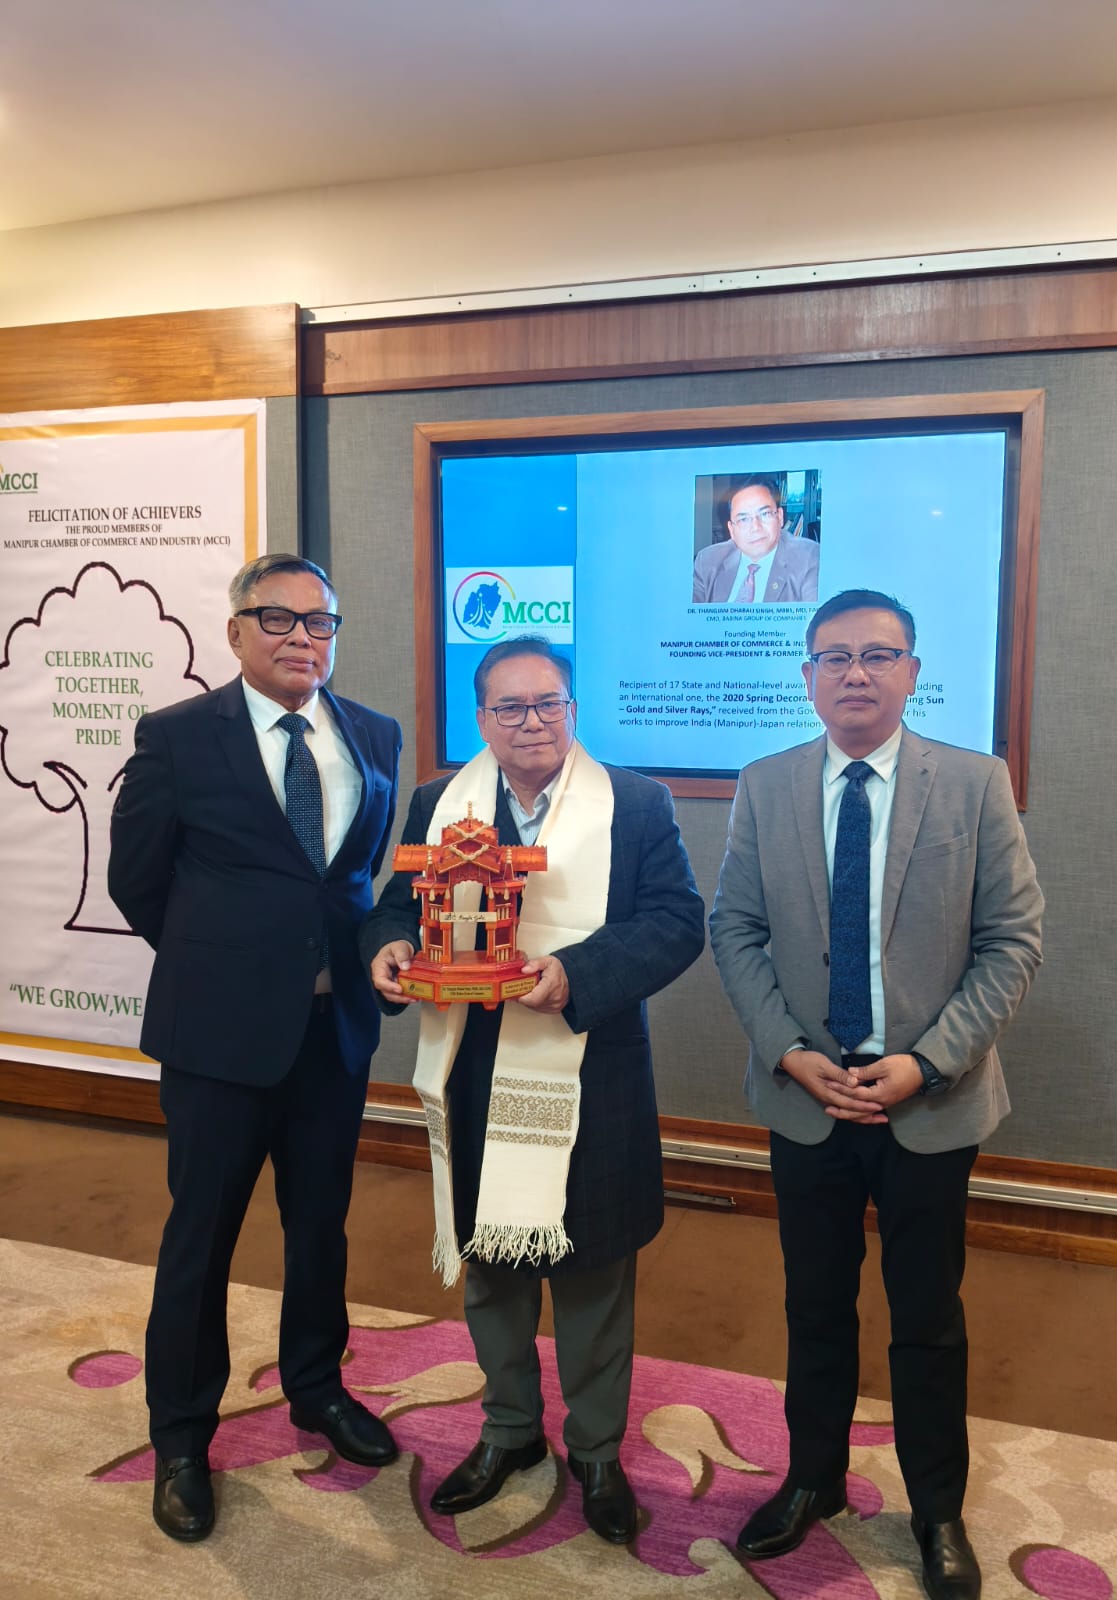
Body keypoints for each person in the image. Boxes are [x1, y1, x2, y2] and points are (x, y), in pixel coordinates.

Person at [709, 589, 1042, 1600]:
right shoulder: (765, 784)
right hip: (807, 1096)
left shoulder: (975, 784)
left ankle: (936, 1508)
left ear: (912, 672)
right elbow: (736, 928)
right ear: (808, 675)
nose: (856, 672)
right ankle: (813, 1478)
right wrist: (785, 1050)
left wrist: (926, 1062)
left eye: (878, 655)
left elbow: (1012, 942)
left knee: (927, 1314)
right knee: (814, 1303)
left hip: (927, 1102)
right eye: (835, 656)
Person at [361, 635, 704, 1545]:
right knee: (493, 1265)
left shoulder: (635, 803)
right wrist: (387, 947)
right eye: (510, 707)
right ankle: (509, 1429)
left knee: (593, 1271)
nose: (531, 722)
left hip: (590, 1071)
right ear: (482, 720)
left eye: (548, 703)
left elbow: (677, 921)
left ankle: (596, 1450)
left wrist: (575, 974)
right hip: (473, 1072)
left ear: (573, 709)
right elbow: (396, 905)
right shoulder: (440, 804)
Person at [108, 553, 403, 1542]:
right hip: (216, 1038)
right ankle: (182, 1435)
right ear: (235, 631)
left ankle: (316, 1387)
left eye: (320, 622)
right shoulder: (179, 736)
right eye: (277, 618)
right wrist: (222, 964)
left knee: (321, 1227)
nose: (301, 637)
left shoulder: (373, 733)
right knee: (202, 1237)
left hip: (333, 1035)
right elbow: (137, 881)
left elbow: (356, 877)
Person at [692, 476, 819, 604]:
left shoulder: (808, 558)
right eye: (743, 519)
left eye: (765, 514)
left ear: (780, 517)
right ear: (731, 530)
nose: (756, 528)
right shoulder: (707, 561)